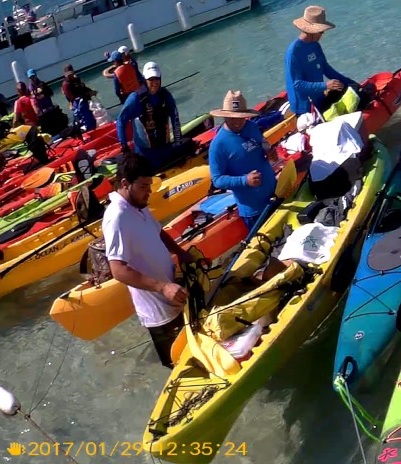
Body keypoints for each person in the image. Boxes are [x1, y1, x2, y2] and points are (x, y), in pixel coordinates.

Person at [104, 154, 190, 368]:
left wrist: (180, 252)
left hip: (173, 295)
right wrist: (162, 287)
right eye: (144, 186)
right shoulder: (117, 217)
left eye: (150, 185)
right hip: (158, 312)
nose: (149, 192)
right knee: (180, 365)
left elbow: (159, 232)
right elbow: (118, 269)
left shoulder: (138, 206)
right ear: (125, 183)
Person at [208, 91, 277, 230]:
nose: (238, 122)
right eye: (232, 118)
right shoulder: (218, 145)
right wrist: (244, 180)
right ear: (225, 116)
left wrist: (270, 154)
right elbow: (217, 180)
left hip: (275, 195)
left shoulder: (251, 127)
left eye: (241, 117)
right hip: (254, 211)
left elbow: (262, 144)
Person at [285, 6, 354, 117]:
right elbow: (297, 84)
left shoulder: (315, 45)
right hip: (305, 106)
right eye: (321, 32)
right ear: (311, 31)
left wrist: (349, 82)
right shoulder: (294, 52)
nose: (323, 34)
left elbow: (326, 69)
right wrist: (325, 85)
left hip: (319, 97)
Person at [118, 61, 185, 171]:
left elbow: (175, 120)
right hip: (145, 153)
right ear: (145, 79)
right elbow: (121, 121)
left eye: (157, 79)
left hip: (165, 149)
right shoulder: (135, 98)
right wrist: (124, 146)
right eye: (150, 79)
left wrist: (178, 144)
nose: (154, 83)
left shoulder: (166, 96)